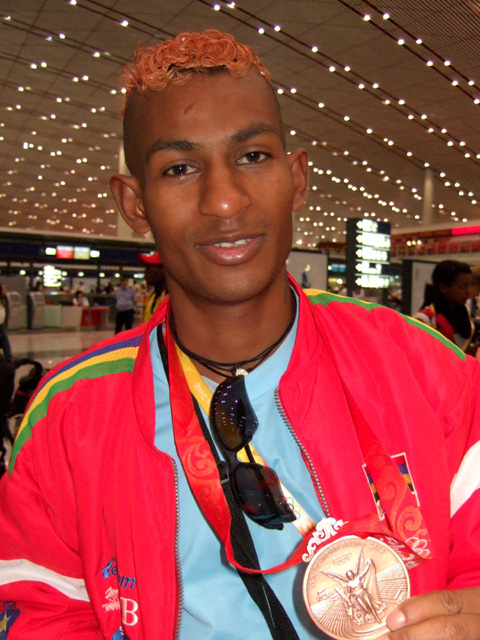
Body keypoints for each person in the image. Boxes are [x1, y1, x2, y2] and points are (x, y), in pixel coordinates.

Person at [0, 30, 479, 640]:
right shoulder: (70, 415)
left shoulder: (425, 369)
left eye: (252, 156)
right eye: (179, 168)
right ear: (135, 204)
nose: (224, 201)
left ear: (297, 178)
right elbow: (37, 609)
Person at [414, 260, 474, 352]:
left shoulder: (465, 320)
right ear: (443, 288)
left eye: (469, 285)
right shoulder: (424, 319)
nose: (468, 292)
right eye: (463, 287)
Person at [139, 252, 168, 322]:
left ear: (163, 270)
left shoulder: (174, 301)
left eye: (149, 267)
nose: (145, 271)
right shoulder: (151, 297)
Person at [0, 283, 13, 360]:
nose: (5, 290)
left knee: (4, 339)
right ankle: (8, 355)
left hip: (1, 323)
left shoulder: (2, 300)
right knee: (4, 339)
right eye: (3, 289)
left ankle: (8, 355)